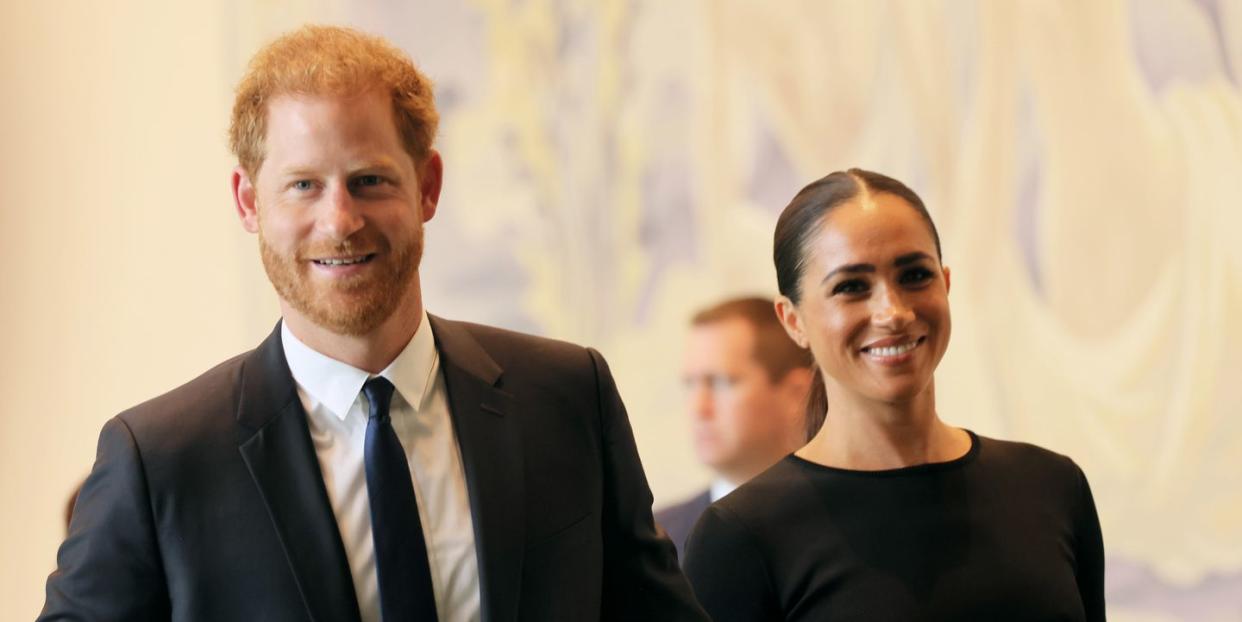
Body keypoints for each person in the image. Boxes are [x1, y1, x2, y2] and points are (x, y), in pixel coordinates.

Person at [39, 25, 708, 622]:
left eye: (370, 181)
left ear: (428, 187)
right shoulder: (158, 461)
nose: (340, 220)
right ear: (248, 201)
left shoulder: (567, 396)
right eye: (303, 185)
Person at [682, 168, 1105, 620]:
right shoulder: (743, 536)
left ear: (945, 283)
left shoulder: (1051, 487)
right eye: (851, 287)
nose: (893, 311)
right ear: (793, 321)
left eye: (914, 276)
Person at [655, 297, 811, 560]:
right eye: (690, 385)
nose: (699, 408)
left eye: (720, 382)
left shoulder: (847, 521)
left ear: (796, 394)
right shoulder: (655, 540)